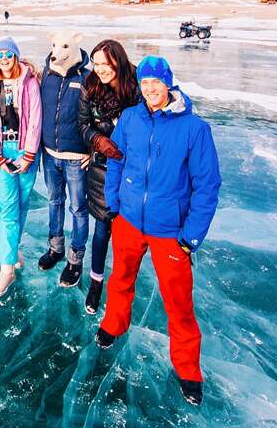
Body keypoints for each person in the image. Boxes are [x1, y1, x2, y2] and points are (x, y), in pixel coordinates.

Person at [95, 55, 222, 407]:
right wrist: (115, 205)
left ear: (169, 83)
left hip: (171, 231)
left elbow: (207, 185)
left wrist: (190, 236)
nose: (150, 89)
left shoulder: (194, 129)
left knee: (178, 303)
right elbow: (117, 160)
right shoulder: (131, 118)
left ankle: (187, 370)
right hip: (130, 221)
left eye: (156, 82)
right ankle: (113, 325)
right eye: (145, 83)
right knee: (120, 279)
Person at [78, 40, 140, 313]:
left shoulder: (138, 84)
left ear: (119, 60)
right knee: (102, 228)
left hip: (135, 169)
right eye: (96, 63)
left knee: (129, 234)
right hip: (103, 168)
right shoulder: (90, 87)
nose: (100, 69)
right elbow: (82, 125)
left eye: (106, 63)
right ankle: (95, 283)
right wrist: (98, 141)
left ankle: (122, 290)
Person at [0, 37, 42, 298]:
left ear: (16, 56)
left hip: (26, 150)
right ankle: (7, 269)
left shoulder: (29, 82)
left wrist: (29, 154)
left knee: (23, 203)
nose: (4, 59)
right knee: (7, 208)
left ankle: (13, 248)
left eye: (8, 54)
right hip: (3, 152)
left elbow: (36, 118)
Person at [38, 30, 91, 287]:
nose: (58, 51)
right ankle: (56, 248)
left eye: (65, 46)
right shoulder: (45, 75)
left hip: (77, 158)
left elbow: (99, 116)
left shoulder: (88, 78)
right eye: (55, 46)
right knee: (54, 202)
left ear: (76, 45)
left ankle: (75, 258)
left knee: (79, 209)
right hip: (50, 155)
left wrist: (94, 150)